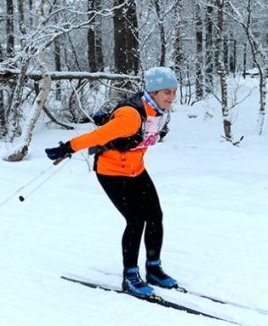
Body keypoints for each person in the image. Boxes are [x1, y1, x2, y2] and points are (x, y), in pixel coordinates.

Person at [45, 67, 179, 298]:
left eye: (174, 91)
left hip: (136, 169)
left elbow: (120, 130)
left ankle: (154, 268)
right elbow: (98, 136)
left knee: (155, 215)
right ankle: (130, 276)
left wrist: (106, 120)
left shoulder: (159, 111)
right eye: (166, 92)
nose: (172, 97)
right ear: (153, 92)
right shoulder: (132, 115)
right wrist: (66, 148)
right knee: (136, 219)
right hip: (112, 171)